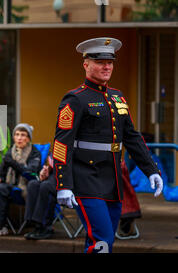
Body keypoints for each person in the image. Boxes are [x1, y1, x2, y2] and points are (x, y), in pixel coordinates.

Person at [53, 37, 163, 253]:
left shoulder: (117, 97)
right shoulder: (75, 99)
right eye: (100, 62)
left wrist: (151, 170)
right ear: (86, 64)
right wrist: (63, 184)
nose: (106, 66)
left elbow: (132, 137)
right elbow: (61, 143)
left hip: (112, 180)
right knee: (101, 239)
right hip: (86, 178)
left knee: (104, 240)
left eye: (110, 62)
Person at [0, 123, 42, 236]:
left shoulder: (34, 152)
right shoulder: (10, 152)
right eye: (17, 134)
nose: (19, 138)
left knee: (1, 189)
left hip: (26, 188)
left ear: (28, 138)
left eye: (23, 135)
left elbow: (30, 172)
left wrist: (12, 163)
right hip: (10, 186)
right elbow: (2, 173)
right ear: (14, 137)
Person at [23, 153, 57, 240]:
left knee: (46, 186)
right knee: (33, 184)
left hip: (68, 182)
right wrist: (45, 172)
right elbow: (49, 166)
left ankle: (46, 227)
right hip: (51, 179)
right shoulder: (56, 150)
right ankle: (36, 226)